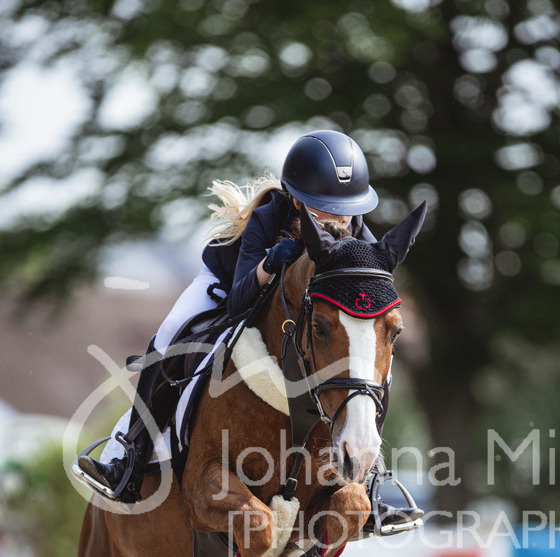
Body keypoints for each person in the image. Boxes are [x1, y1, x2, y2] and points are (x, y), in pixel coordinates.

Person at [75, 129, 423, 533]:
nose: (337, 221)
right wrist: (271, 263)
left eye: (345, 210)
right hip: (228, 283)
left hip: (294, 307)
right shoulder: (267, 219)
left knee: (373, 363)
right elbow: (239, 302)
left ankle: (372, 481)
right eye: (325, 210)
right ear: (296, 200)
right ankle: (129, 461)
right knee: (169, 340)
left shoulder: (355, 231)